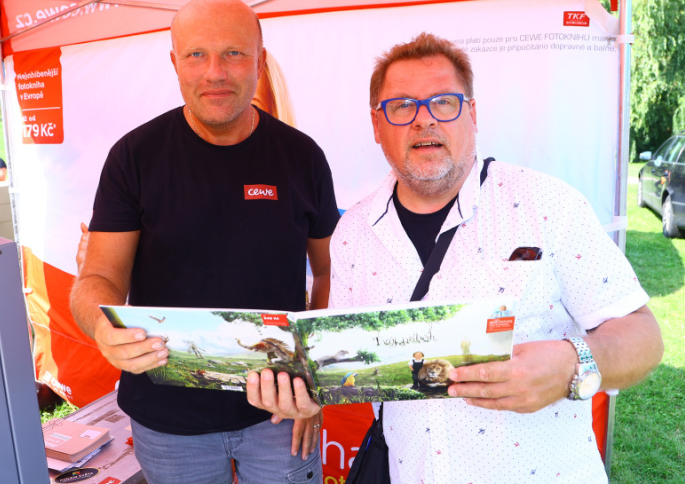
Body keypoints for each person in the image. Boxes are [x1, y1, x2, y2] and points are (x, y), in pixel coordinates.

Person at [247, 33, 663, 483]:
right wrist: (309, 395)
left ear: (473, 114)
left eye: (444, 102)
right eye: (402, 106)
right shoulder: (352, 235)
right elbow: (347, 370)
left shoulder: (548, 205)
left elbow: (644, 338)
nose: (424, 120)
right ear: (377, 125)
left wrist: (571, 363)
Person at [69, 0, 339, 484]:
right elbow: (98, 278)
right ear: (175, 62)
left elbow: (329, 273)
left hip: (279, 410)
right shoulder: (134, 157)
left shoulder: (302, 157)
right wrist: (104, 329)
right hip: (168, 420)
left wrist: (313, 382)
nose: (215, 72)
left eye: (233, 53)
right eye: (197, 54)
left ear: (259, 61)